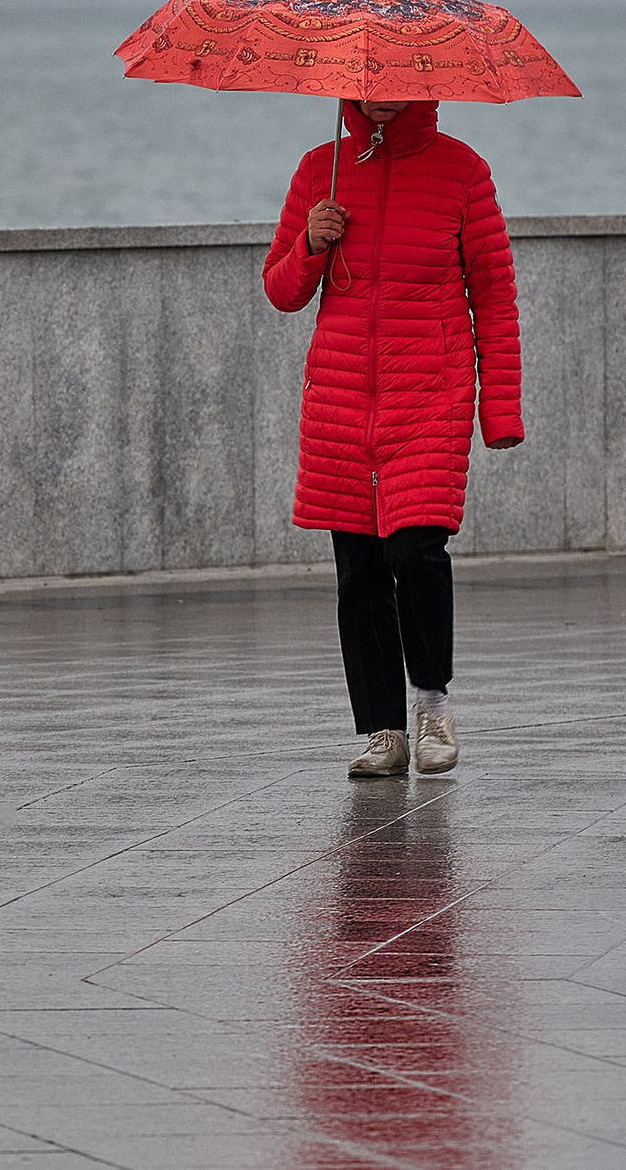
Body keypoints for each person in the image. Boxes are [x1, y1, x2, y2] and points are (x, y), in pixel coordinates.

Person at [262, 96, 523, 778]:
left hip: (428, 395)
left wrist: (499, 410)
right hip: (343, 399)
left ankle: (432, 702)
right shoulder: (322, 169)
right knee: (359, 572)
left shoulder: (463, 171)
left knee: (417, 548)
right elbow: (281, 290)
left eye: (393, 74)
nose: (380, 88)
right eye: (367, 73)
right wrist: (309, 244)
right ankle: (382, 730)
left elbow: (493, 294)